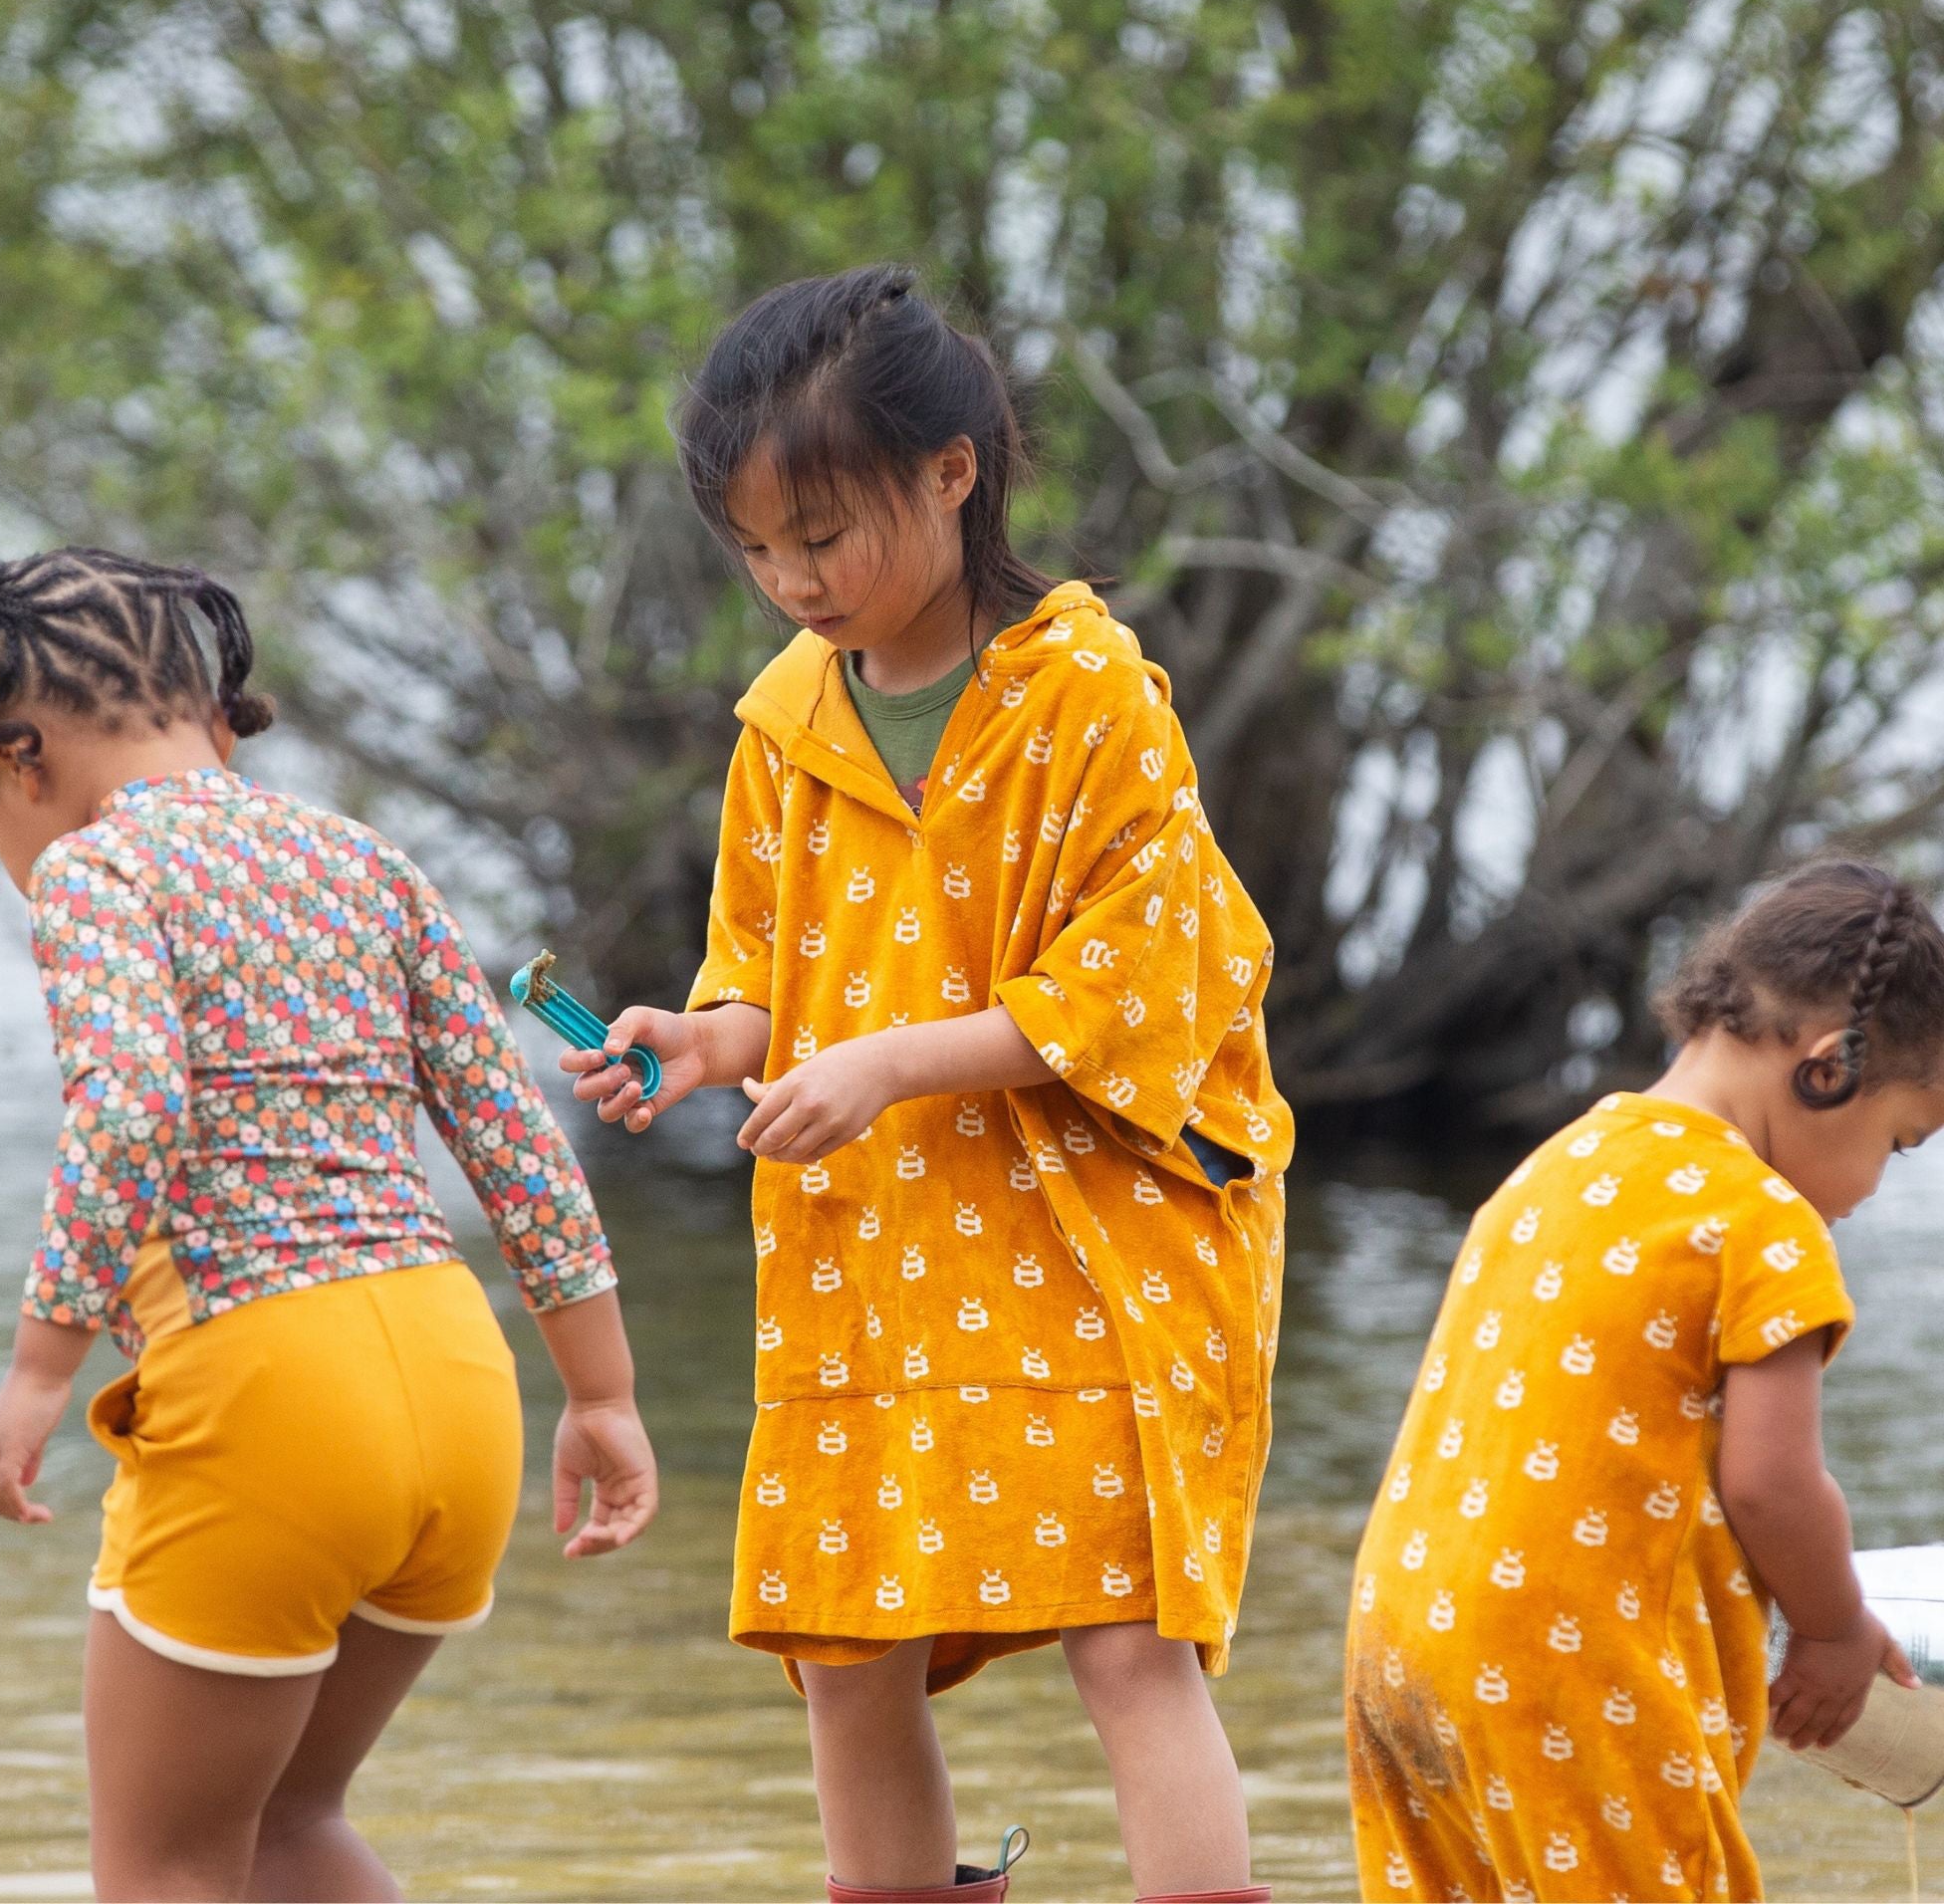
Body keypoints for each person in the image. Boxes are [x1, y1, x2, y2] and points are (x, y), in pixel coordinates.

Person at [563, 265, 1290, 1904]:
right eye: (755, 550)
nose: (790, 581)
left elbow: (1137, 986)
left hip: (1096, 1242)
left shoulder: (1089, 693)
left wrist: (888, 1061)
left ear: (952, 474)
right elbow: (763, 959)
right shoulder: (781, 727)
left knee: (1124, 1642)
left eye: (821, 535)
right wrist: (701, 1038)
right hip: (873, 1246)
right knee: (849, 1645)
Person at [0, 548, 657, 1903]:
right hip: (459, 1394)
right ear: (215, 718)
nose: (2, 857)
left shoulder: (99, 875)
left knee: (165, 1863)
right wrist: (607, 1394)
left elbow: (133, 1105)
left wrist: (42, 1362)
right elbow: (515, 1144)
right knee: (288, 1825)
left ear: (21, 757)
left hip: (268, 1386)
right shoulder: (367, 860)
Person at [1345, 858, 1944, 1902]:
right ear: (1827, 1067)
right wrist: (1833, 1625)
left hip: (1401, 1650)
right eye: (1898, 1141)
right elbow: (1773, 1481)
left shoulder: (1555, 1165)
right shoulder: (1760, 1221)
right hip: (1574, 1671)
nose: (1872, 1183)